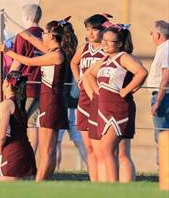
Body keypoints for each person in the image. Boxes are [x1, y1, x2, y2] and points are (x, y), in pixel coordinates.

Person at [0, 17, 77, 181]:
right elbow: (30, 37)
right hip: (49, 102)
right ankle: (45, 181)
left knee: (46, 150)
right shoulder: (51, 51)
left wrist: (8, 51)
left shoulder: (57, 55)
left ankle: (40, 184)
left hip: (52, 103)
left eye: (45, 33)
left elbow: (29, 61)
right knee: (48, 150)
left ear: (52, 36)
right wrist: (10, 19)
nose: (42, 35)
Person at [83, 24, 148, 183]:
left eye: (109, 41)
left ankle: (114, 185)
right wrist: (97, 92)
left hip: (118, 109)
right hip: (104, 109)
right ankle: (112, 184)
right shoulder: (106, 58)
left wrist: (127, 90)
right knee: (106, 150)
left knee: (107, 149)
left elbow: (142, 72)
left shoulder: (123, 57)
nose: (104, 44)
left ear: (119, 44)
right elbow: (89, 74)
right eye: (103, 40)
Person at [69, 13, 109, 181]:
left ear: (103, 30)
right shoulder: (85, 48)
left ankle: (105, 181)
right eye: (87, 29)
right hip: (84, 101)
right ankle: (94, 182)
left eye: (94, 29)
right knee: (89, 148)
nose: (90, 33)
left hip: (100, 100)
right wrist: (79, 79)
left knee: (101, 149)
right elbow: (73, 62)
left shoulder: (107, 50)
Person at [8, 4, 44, 153]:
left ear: (27, 17)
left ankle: (18, 155)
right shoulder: (45, 34)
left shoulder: (23, 35)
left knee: (18, 122)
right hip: (41, 84)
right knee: (32, 124)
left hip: (25, 84)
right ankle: (31, 157)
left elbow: (18, 61)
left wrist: (8, 81)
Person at [0, 71, 36, 181]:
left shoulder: (6, 104)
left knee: (3, 191)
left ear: (8, 85)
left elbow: (2, 135)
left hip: (12, 153)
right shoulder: (21, 104)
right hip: (27, 152)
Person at [148, 20, 168, 162]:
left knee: (162, 136)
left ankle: (163, 169)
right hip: (164, 95)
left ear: (158, 35)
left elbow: (166, 76)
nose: (151, 36)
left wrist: (158, 101)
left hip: (164, 96)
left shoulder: (165, 49)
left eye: (152, 33)